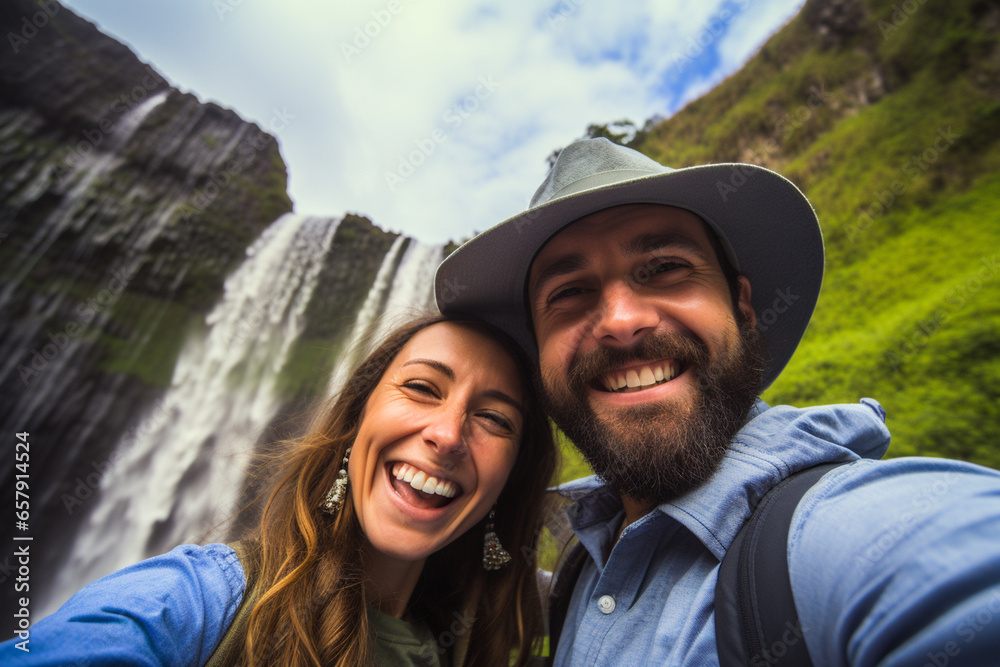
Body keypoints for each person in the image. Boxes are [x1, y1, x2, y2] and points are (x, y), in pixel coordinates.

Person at [434, 137, 1000, 666]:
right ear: (539, 356)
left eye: (664, 269)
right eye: (569, 293)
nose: (622, 322)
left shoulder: (849, 532)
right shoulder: (582, 564)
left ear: (743, 308)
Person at [0, 315, 558, 666]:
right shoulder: (203, 597)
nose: (448, 435)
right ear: (355, 422)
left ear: (509, 482)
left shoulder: (497, 643)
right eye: (420, 387)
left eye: (495, 420)